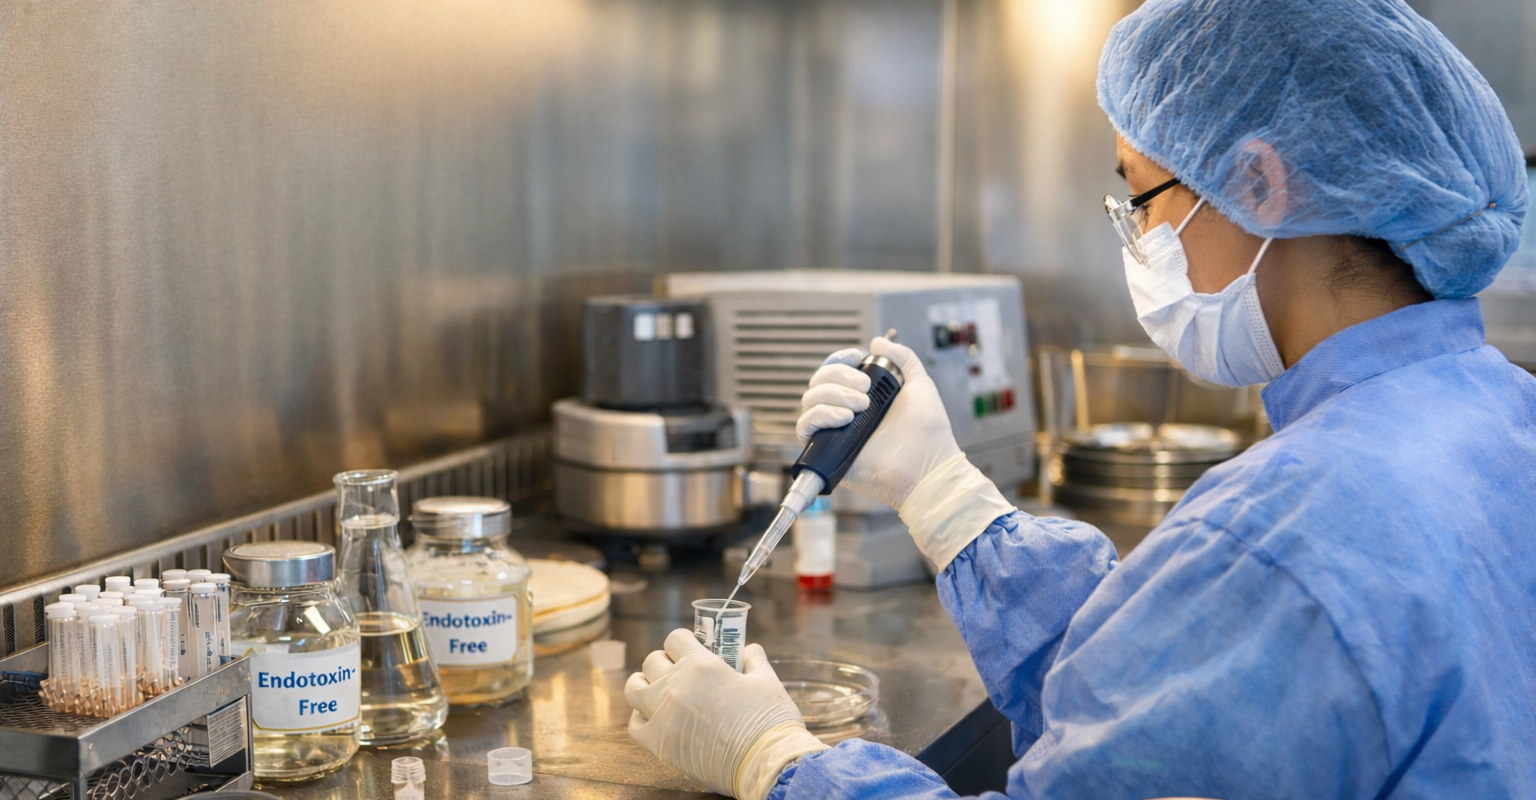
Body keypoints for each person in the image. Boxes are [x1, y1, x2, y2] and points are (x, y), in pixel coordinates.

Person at [625, 0, 1536, 797]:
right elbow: (1179, 688)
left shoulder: (1282, 533)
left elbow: (1233, 630)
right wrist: (944, 494)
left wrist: (776, 763)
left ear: (1258, 182)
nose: (1138, 236)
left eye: (1139, 197)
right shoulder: (1496, 419)